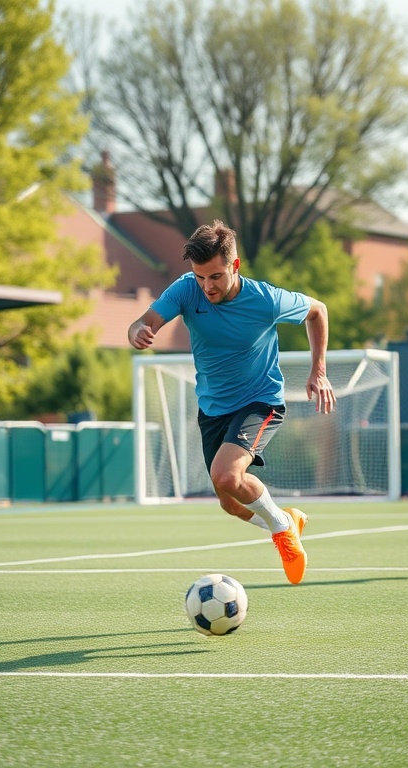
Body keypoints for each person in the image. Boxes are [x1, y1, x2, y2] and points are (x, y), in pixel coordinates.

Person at [128, 220, 336, 585]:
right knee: (229, 501)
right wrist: (138, 332)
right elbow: (142, 322)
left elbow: (318, 310)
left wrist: (318, 370)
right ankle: (286, 520)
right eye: (200, 277)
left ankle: (281, 527)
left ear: (235, 266)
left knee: (227, 475)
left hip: (260, 401)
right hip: (212, 408)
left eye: (216, 276)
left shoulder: (266, 299)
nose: (207, 286)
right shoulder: (185, 290)